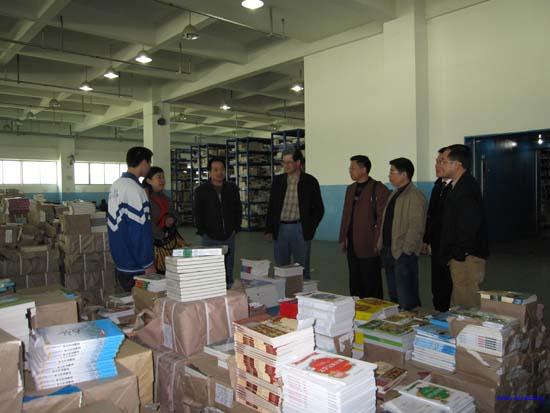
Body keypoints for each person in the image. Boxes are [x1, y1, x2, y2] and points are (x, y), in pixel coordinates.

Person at [440, 144, 489, 307]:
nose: (440, 165)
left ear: (457, 164)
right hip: (461, 256)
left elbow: (469, 226)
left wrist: (458, 253)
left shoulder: (467, 187)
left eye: (444, 161)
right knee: (459, 301)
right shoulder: (457, 185)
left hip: (467, 258)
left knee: (467, 303)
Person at [265, 147, 324, 279]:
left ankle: (303, 292)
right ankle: (282, 292)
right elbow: (272, 207)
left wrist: (309, 228)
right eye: (283, 162)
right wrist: (269, 229)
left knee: (301, 269)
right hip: (280, 229)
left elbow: (319, 209)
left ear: (298, 163)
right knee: (281, 269)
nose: (285, 166)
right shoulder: (278, 181)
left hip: (300, 229)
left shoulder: (310, 182)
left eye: (289, 162)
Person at [377, 158, 426, 310]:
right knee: (394, 293)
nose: (389, 175)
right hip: (389, 249)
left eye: (392, 172)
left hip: (403, 253)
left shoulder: (415, 196)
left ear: (404, 174)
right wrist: (380, 244)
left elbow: (416, 227)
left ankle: (411, 318)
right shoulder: (394, 193)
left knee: (406, 294)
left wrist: (406, 250)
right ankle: (398, 319)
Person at [339, 155, 390, 298]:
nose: (350, 171)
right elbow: (346, 215)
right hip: (352, 244)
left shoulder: (378, 189)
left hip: (369, 243)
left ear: (364, 169)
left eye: (353, 168)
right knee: (355, 280)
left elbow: (382, 218)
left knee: (371, 282)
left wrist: (378, 241)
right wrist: (343, 237)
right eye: (350, 168)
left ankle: (374, 308)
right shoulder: (350, 189)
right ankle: (357, 307)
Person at [108, 147, 155, 292]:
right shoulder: (135, 190)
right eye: (149, 163)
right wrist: (148, 263)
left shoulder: (116, 185)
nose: (150, 167)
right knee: (143, 303)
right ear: (144, 162)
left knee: (129, 301)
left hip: (120, 258)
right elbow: (139, 231)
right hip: (136, 265)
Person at [193, 157, 242, 287]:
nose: (219, 172)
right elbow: (198, 212)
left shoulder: (232, 188)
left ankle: (228, 287)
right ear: (209, 172)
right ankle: (211, 288)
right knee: (210, 267)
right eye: (215, 170)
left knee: (228, 266)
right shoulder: (201, 190)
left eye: (222, 169)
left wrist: (236, 229)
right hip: (209, 237)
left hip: (229, 236)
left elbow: (238, 209)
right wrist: (202, 231)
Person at [423, 148, 453, 312]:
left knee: (450, 285)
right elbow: (431, 215)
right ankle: (438, 312)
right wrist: (427, 239)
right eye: (437, 161)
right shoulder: (438, 186)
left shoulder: (458, 187)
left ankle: (448, 314)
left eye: (442, 161)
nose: (437, 165)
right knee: (437, 283)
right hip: (436, 245)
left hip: (450, 247)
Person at [143, 166, 189, 274]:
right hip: (153, 245)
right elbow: (146, 222)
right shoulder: (145, 199)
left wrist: (172, 219)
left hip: (168, 243)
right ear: (149, 181)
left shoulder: (166, 198)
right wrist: (162, 233)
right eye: (159, 177)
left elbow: (177, 217)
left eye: (163, 177)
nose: (162, 180)